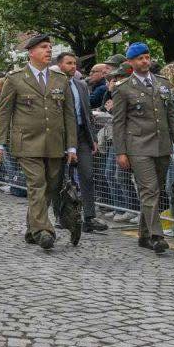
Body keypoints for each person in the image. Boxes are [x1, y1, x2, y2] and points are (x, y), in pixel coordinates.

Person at [0, 34, 78, 251]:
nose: (48, 51)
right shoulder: (14, 79)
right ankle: (44, 231)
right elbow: (4, 114)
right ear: (31, 52)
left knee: (50, 187)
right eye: (43, 47)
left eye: (50, 47)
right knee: (37, 184)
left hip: (54, 143)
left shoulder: (60, 79)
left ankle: (33, 227)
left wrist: (71, 145)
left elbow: (69, 115)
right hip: (27, 143)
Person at [111, 42, 174, 255]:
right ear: (130, 63)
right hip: (138, 147)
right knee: (149, 190)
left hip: (162, 145)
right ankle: (157, 236)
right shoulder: (123, 88)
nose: (145, 61)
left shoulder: (163, 84)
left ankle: (144, 234)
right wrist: (121, 152)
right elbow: (119, 123)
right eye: (139, 58)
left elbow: (171, 115)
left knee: (156, 191)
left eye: (147, 57)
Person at [53, 52, 107, 234]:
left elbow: (87, 113)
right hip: (60, 137)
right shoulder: (53, 85)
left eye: (74, 63)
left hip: (82, 135)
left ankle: (89, 217)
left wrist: (93, 139)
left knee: (87, 175)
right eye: (69, 63)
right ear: (59, 65)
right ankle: (61, 215)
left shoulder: (81, 85)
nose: (73, 66)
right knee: (59, 178)